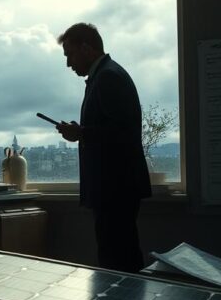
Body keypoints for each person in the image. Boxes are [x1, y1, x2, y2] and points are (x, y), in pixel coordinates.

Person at [54, 23, 151, 272]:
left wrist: (81, 133)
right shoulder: (108, 74)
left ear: (86, 48)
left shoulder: (107, 77)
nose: (68, 64)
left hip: (114, 188)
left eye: (70, 54)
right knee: (120, 254)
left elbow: (120, 133)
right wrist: (82, 133)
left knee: (117, 260)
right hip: (116, 188)